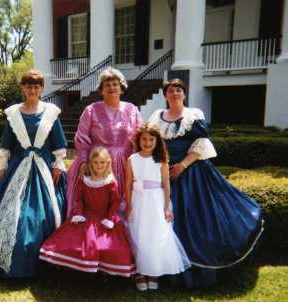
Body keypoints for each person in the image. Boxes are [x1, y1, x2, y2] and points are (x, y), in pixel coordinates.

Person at [147, 79, 263, 288]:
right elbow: (150, 144)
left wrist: (182, 166)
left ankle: (197, 273)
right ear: (165, 95)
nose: (175, 93)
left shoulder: (194, 115)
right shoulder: (156, 117)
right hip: (163, 174)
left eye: (179, 90)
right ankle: (166, 269)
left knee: (196, 219)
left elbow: (201, 144)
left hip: (192, 173)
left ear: (184, 94)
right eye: (171, 90)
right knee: (164, 220)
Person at [0, 69, 67, 278]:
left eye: (37, 86)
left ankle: (46, 262)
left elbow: (58, 143)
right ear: (22, 88)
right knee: (3, 211)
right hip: (17, 168)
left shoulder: (51, 112)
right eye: (29, 86)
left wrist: (58, 164)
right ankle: (1, 259)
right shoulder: (13, 114)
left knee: (38, 216)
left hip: (44, 171)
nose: (33, 89)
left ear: (41, 89)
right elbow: (6, 144)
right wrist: (2, 168)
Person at [39, 147, 136, 277]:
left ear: (108, 163)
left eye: (102, 162)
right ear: (91, 163)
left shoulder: (111, 182)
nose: (99, 165)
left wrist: (110, 218)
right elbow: (78, 200)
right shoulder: (84, 180)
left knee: (108, 246)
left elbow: (115, 202)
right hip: (86, 217)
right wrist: (78, 213)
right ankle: (76, 269)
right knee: (72, 242)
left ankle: (102, 271)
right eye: (96, 162)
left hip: (104, 219)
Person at [66, 68, 142, 216]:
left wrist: (140, 162)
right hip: (98, 164)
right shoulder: (91, 110)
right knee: (95, 206)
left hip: (125, 164)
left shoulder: (132, 110)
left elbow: (139, 136)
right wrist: (83, 162)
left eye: (115, 84)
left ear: (121, 88)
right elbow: (81, 138)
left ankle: (120, 235)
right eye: (107, 85)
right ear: (101, 90)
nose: (112, 87)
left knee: (122, 205)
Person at [125, 125, 191, 291]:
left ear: (157, 141)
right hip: (138, 200)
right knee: (138, 234)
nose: (147, 142)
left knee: (154, 235)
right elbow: (127, 185)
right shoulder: (132, 159)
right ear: (138, 140)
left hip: (155, 201)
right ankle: (140, 272)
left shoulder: (161, 160)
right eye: (144, 139)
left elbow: (166, 184)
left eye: (151, 139)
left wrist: (166, 207)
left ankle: (153, 271)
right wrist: (128, 205)